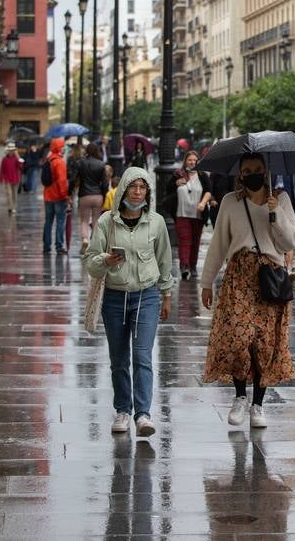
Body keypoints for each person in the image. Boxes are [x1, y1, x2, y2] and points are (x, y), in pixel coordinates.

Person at [201, 152, 295, 429]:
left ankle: (258, 404)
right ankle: (240, 396)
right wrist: (206, 282)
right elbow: (219, 243)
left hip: (270, 278)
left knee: (264, 343)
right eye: (248, 170)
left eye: (258, 169)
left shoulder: (280, 200)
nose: (253, 173)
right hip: (238, 276)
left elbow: (290, 241)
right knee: (238, 337)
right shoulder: (231, 202)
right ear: (240, 174)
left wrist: (274, 212)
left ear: (266, 171)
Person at [86, 167, 173, 437]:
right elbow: (90, 262)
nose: (137, 192)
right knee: (119, 358)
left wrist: (166, 294)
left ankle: (143, 414)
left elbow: (164, 260)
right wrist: (105, 260)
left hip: (146, 296)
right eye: (133, 186)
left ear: (148, 192)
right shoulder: (106, 223)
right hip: (114, 297)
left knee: (143, 356)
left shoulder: (156, 222)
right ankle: (123, 410)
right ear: (123, 188)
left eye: (142, 187)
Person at [166, 150, 212, 281]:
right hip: (181, 214)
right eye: (190, 160)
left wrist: (203, 203)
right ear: (185, 161)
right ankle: (184, 267)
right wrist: (175, 184)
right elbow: (168, 189)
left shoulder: (202, 175)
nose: (192, 162)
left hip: (198, 214)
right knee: (184, 241)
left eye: (194, 160)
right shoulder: (178, 174)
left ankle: (193, 266)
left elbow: (209, 191)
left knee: (195, 242)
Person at [73, 141, 109, 254]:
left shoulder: (80, 163)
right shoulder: (101, 164)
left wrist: (70, 192)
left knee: (84, 220)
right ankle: (94, 243)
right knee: (96, 220)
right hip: (97, 195)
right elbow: (105, 183)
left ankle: (84, 239)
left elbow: (74, 180)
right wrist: (104, 195)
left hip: (84, 195)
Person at [42, 138, 70, 255]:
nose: (64, 149)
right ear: (58, 147)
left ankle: (46, 245)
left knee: (48, 221)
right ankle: (59, 245)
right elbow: (62, 181)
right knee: (60, 221)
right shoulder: (59, 162)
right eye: (63, 146)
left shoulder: (48, 159)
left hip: (48, 196)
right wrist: (66, 196)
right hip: (58, 197)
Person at [0, 141, 24, 213]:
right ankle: (10, 207)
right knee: (9, 193)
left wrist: (18, 156)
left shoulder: (17, 158)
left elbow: (21, 167)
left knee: (14, 194)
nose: (11, 152)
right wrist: (0, 178)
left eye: (12, 150)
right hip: (7, 179)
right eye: (10, 150)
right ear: (8, 151)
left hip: (15, 178)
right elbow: (2, 169)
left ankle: (14, 207)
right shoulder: (4, 159)